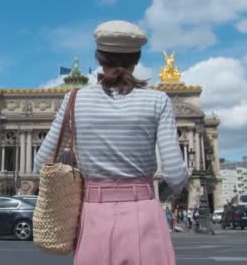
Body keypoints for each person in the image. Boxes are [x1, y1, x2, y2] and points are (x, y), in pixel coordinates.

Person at [34, 20, 187, 265]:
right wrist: (164, 194)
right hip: (145, 213)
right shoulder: (158, 101)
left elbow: (41, 162)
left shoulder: (75, 99)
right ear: (136, 59)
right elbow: (176, 175)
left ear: (99, 59)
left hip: (94, 215)